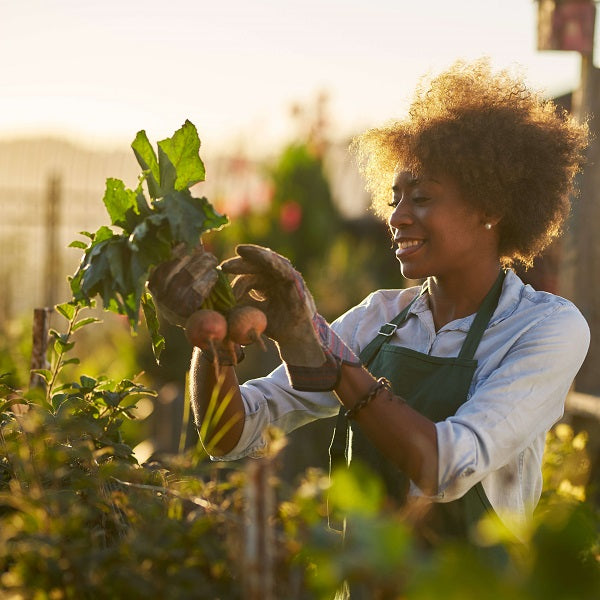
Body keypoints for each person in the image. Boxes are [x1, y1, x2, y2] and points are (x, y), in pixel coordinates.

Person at [149, 59, 590, 550]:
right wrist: (213, 338)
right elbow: (228, 434)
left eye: (420, 197)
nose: (397, 216)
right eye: (395, 197)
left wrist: (334, 363)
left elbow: (445, 466)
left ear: (489, 207)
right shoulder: (379, 319)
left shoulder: (544, 327)